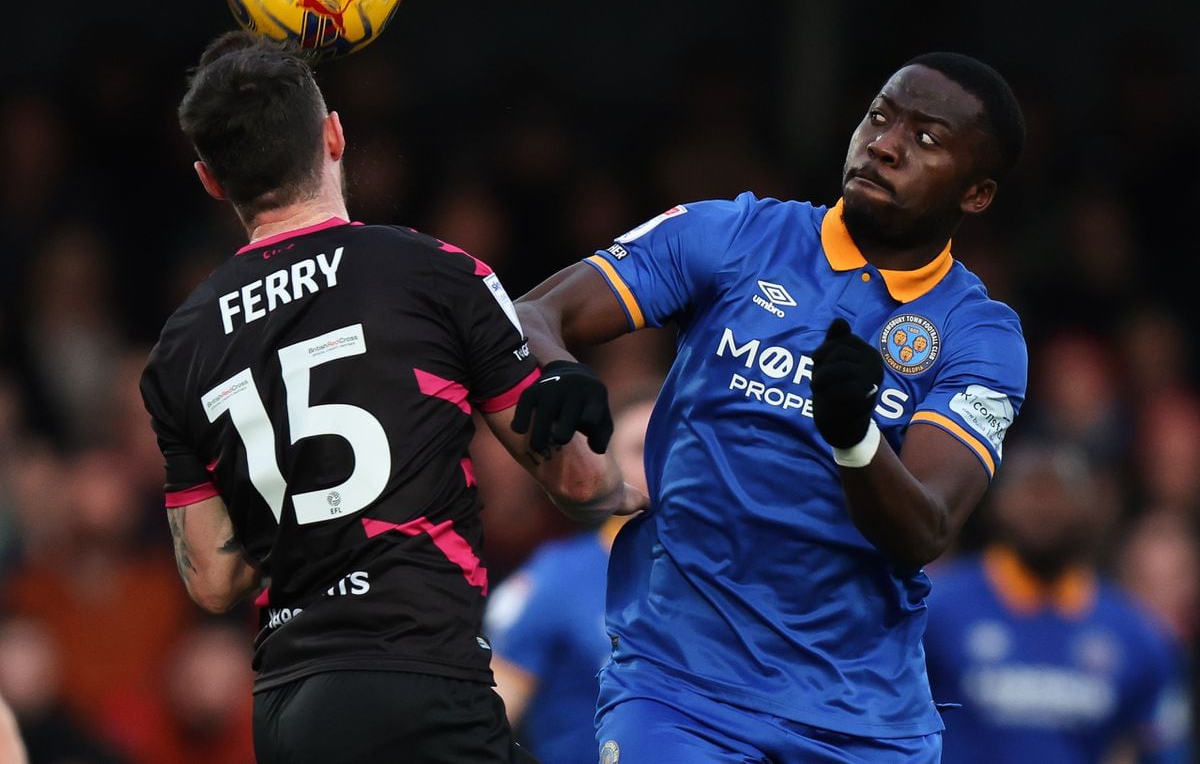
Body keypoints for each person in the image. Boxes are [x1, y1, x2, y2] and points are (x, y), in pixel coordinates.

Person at [138, 30, 647, 764]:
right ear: (335, 136)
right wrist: (629, 487)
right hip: (419, 678)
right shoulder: (435, 275)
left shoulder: (179, 347)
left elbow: (216, 583)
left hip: (286, 706)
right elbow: (575, 482)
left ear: (211, 180)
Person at [510, 51, 1028, 762]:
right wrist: (560, 371)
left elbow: (925, 529)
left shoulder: (980, 335)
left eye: (927, 139)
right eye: (880, 116)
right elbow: (534, 314)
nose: (884, 144)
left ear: (977, 193)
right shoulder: (732, 235)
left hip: (864, 719)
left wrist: (855, 439)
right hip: (679, 692)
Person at [923, 442, 1193, 763]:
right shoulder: (937, 611)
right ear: (999, 503)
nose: (1045, 510)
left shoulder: (1135, 634)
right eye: (1032, 492)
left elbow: (1166, 748)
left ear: (1089, 508)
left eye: (1060, 493)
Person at [485, 381, 658, 764]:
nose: (659, 463)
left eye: (674, 446)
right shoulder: (557, 577)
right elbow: (490, 719)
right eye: (641, 449)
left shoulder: (729, 576)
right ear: (606, 465)